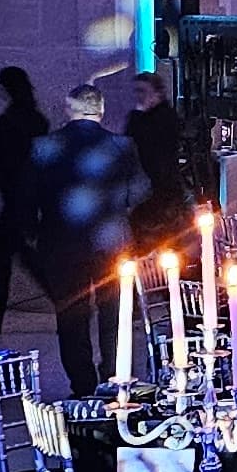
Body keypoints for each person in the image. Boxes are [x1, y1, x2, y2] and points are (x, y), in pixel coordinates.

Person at [27, 87, 146, 396]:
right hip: (111, 243)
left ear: (69, 110)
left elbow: (28, 197)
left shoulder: (43, 147)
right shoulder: (122, 146)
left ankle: (82, 386)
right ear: (101, 110)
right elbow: (139, 191)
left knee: (71, 317)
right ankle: (111, 378)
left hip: (61, 244)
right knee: (114, 315)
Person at [0, 66, 47, 335]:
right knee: (20, 256)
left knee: (4, 261)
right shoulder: (37, 119)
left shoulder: (8, 122)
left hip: (14, 198)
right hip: (29, 198)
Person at [123, 68, 192, 251]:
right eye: (136, 91)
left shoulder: (165, 118)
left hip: (162, 192)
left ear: (157, 93)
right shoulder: (138, 118)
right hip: (146, 193)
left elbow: (150, 145)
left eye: (143, 91)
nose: (138, 96)